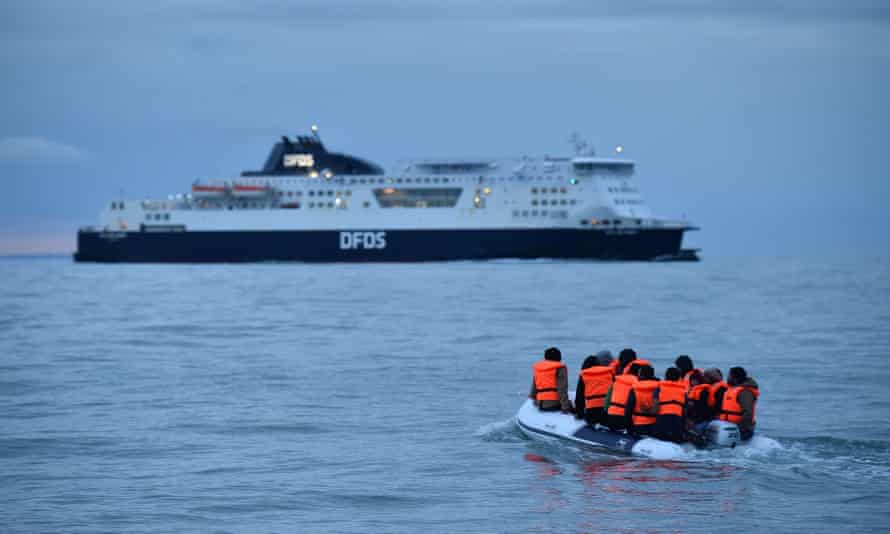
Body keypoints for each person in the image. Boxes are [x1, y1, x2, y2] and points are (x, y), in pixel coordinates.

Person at [719, 366, 759, 441]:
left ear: (735, 378)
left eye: (729, 376)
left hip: (741, 430)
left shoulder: (744, 392)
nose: (727, 378)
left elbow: (748, 413)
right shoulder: (732, 390)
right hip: (728, 427)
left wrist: (738, 428)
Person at [529, 347, 573, 413]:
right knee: (571, 403)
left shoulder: (538, 368)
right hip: (552, 403)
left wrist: (534, 399)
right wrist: (565, 407)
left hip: (539, 403)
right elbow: (562, 389)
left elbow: (534, 387)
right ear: (559, 358)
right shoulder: (560, 368)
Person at [575, 354, 614, 426]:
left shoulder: (584, 375)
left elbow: (579, 398)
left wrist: (579, 414)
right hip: (609, 413)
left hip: (592, 415)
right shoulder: (610, 372)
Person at [605, 359, 638, 431]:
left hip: (610, 418)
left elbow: (607, 402)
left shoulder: (616, 381)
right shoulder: (637, 385)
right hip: (625, 421)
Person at [625, 364, 659, 436]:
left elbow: (628, 411)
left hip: (639, 426)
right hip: (656, 426)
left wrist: (629, 429)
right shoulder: (659, 388)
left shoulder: (634, 389)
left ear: (641, 375)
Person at [655, 367, 687, 443]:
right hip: (677, 423)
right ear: (679, 378)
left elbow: (655, 409)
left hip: (662, 422)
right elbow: (684, 412)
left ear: (665, 376)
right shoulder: (683, 391)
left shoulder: (659, 388)